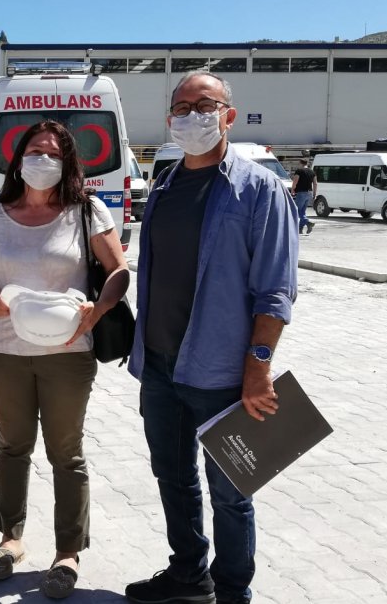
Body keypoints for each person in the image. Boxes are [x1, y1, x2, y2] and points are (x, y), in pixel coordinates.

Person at [124, 71, 298, 604]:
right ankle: (188, 575)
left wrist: (259, 366)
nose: (192, 116)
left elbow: (276, 289)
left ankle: (232, 591)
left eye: (205, 105)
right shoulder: (165, 185)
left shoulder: (259, 189)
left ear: (229, 115)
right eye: (181, 108)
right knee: (172, 478)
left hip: (222, 371)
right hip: (160, 365)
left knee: (232, 491)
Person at [0, 121, 129, 598]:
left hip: (68, 353)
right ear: (19, 158)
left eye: (54, 154)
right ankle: (10, 539)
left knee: (66, 453)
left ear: (69, 163)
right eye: (35, 151)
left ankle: (68, 552)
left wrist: (98, 309)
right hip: (6, 349)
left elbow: (119, 270)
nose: (43, 160)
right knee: (12, 446)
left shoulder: (86, 210)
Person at [291, 158, 317, 235]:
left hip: (301, 192)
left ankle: (308, 222)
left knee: (297, 210)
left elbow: (295, 181)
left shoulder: (299, 171)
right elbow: (315, 183)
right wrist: (314, 194)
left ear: (300, 163)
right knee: (302, 211)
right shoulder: (312, 172)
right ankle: (300, 229)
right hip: (309, 193)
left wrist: (292, 190)